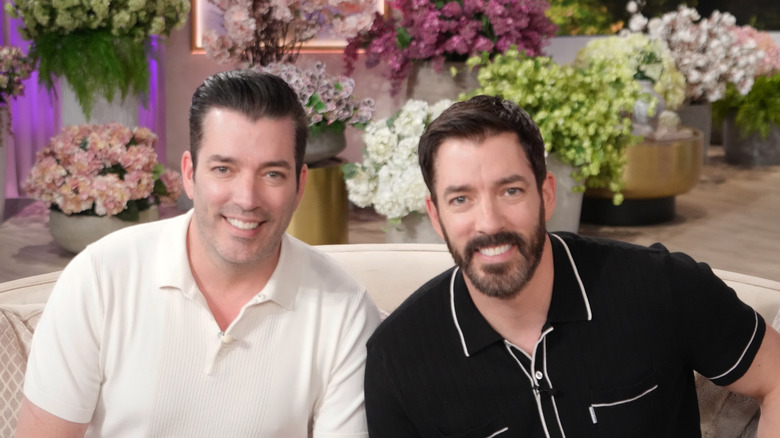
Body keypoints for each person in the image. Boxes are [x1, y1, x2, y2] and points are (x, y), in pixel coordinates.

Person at [363, 95, 780, 437]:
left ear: (546, 194)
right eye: (461, 199)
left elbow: (776, 378)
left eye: (510, 191)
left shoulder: (658, 284)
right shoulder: (397, 359)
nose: (489, 222)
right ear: (435, 216)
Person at [16, 70, 382, 437]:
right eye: (224, 169)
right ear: (190, 174)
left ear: (300, 185)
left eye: (272, 174)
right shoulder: (99, 278)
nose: (246, 199)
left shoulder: (346, 312)